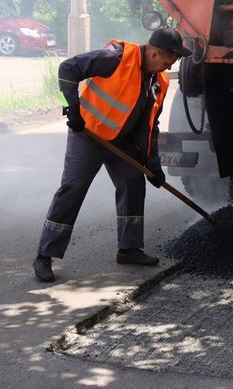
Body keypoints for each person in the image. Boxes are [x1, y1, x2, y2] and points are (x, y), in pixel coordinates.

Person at [32, 28, 193, 282]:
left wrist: (153, 165)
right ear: (154, 52)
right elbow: (67, 68)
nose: (168, 67)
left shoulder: (158, 82)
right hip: (89, 134)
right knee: (72, 189)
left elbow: (151, 128)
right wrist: (72, 108)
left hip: (120, 140)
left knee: (132, 181)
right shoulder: (116, 57)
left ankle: (129, 249)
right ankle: (44, 255)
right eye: (168, 60)